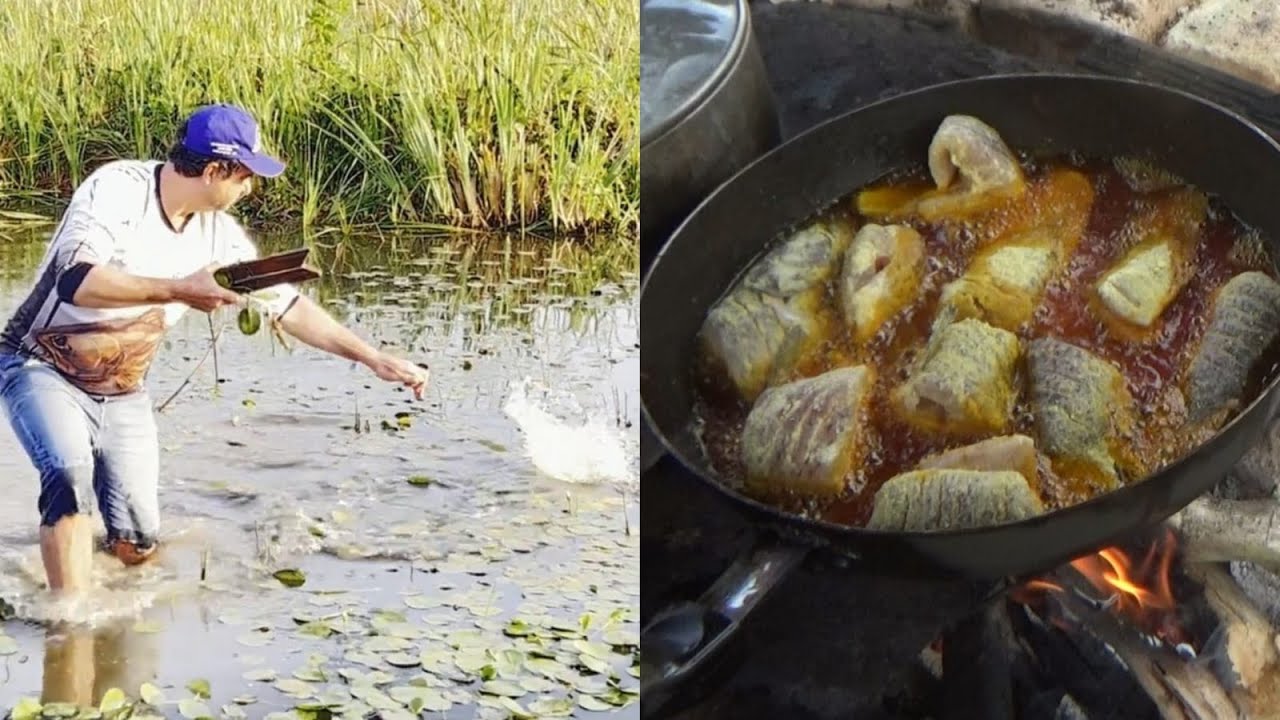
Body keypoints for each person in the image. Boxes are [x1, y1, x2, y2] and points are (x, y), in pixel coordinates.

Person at [0, 103, 430, 594]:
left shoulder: (219, 236)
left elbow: (286, 307)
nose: (249, 188)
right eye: (245, 176)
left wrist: (371, 357)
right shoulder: (116, 190)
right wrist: (179, 289)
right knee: (67, 474)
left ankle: (96, 595)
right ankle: (70, 624)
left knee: (137, 545)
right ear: (212, 170)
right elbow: (74, 281)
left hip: (121, 390)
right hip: (39, 365)